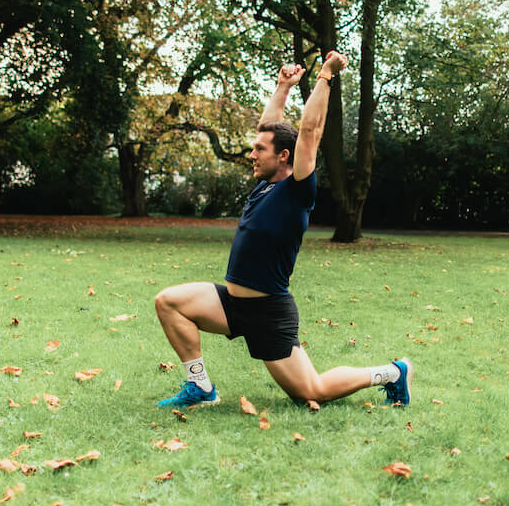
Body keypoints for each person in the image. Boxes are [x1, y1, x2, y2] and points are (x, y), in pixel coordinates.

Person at [154, 51, 412, 410]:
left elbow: (310, 130)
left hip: (269, 312)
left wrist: (324, 76)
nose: (252, 154)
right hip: (231, 303)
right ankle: (200, 386)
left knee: (311, 392)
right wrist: (282, 88)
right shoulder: (264, 184)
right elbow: (269, 128)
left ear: (284, 157)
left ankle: (392, 372)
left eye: (260, 150)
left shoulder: (297, 190)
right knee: (168, 302)